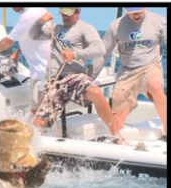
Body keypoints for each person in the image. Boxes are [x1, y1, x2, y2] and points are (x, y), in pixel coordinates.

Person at [28, 7, 118, 137]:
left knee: (95, 92)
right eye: (63, 13)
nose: (65, 16)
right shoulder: (55, 28)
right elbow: (33, 35)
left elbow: (100, 49)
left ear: (78, 11)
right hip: (55, 80)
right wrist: (40, 21)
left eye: (69, 14)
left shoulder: (85, 28)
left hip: (76, 76)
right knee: (38, 122)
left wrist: (74, 55)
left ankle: (115, 134)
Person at [92, 7, 168, 140]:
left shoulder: (159, 21)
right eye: (132, 11)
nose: (136, 14)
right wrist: (89, 77)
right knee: (117, 122)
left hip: (150, 66)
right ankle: (117, 143)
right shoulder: (116, 26)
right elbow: (103, 56)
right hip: (127, 72)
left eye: (139, 10)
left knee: (155, 86)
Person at [0, 7, 53, 96]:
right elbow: (28, 36)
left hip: (41, 75)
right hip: (50, 71)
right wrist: (17, 53)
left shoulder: (27, 16)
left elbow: (8, 42)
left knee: (37, 109)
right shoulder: (39, 9)